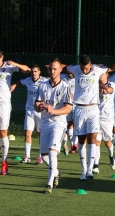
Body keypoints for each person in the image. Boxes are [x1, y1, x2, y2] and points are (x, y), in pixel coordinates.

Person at [66, 54, 115, 180]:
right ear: (80, 65)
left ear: (90, 65)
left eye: (87, 68)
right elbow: (64, 67)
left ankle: (90, 170)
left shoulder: (97, 70)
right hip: (80, 109)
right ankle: (83, 172)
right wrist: (54, 67)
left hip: (93, 110)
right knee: (82, 141)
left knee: (94, 140)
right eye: (83, 68)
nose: (85, 70)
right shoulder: (75, 69)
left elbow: (111, 68)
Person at [34, 58, 72, 194]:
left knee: (51, 152)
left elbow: (68, 109)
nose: (52, 71)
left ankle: (49, 184)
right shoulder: (42, 85)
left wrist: (53, 111)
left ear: (61, 69)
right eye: (50, 69)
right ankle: (56, 172)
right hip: (45, 123)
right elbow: (36, 104)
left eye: (55, 69)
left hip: (58, 123)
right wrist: (39, 107)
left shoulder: (65, 87)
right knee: (44, 155)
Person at [10, 64, 49, 165]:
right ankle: (27, 156)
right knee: (27, 133)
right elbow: (19, 82)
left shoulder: (44, 81)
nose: (33, 74)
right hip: (29, 110)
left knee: (41, 134)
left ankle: (40, 156)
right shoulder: (28, 80)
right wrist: (14, 85)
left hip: (40, 111)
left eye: (35, 72)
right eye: (32, 72)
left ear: (39, 72)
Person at [92, 71, 115, 174]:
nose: (100, 75)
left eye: (102, 74)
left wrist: (97, 85)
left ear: (107, 75)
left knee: (107, 143)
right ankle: (95, 165)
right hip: (96, 116)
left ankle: (111, 157)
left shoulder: (112, 84)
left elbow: (108, 90)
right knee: (97, 142)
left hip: (107, 118)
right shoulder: (94, 85)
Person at [60, 68, 78, 155]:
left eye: (72, 72)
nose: (70, 74)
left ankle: (74, 145)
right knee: (68, 125)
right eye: (68, 72)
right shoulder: (62, 77)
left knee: (76, 125)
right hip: (66, 105)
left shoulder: (78, 78)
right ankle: (70, 145)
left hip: (76, 105)